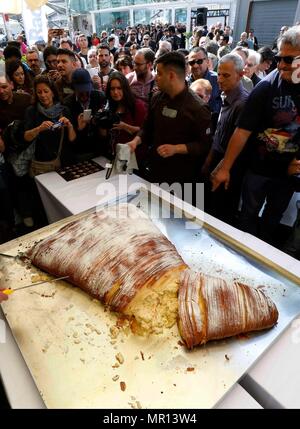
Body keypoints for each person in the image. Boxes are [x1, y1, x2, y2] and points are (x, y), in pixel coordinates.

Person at [211, 25, 300, 245]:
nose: (281, 65)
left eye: (288, 60)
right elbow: (241, 132)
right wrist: (224, 169)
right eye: (279, 58)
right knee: (248, 217)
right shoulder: (266, 88)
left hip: (288, 174)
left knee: (273, 220)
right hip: (258, 169)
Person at [127, 51, 211, 194]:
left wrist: (177, 148)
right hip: (156, 170)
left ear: (171, 75)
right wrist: (135, 141)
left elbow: (204, 145)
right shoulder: (156, 98)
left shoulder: (198, 108)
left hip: (183, 179)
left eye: (159, 73)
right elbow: (147, 126)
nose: (155, 77)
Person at [24, 75, 76, 166]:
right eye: (39, 92)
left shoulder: (64, 110)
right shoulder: (32, 111)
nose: (43, 95)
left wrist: (70, 125)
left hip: (65, 160)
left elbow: (72, 139)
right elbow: (26, 137)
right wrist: (39, 128)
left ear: (53, 92)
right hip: (43, 162)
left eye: (46, 91)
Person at [100, 71, 147, 159]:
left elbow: (145, 131)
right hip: (113, 156)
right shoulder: (109, 106)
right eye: (112, 89)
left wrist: (125, 126)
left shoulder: (137, 105)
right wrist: (101, 123)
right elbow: (105, 135)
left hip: (133, 158)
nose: (115, 92)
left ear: (125, 88)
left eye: (119, 88)